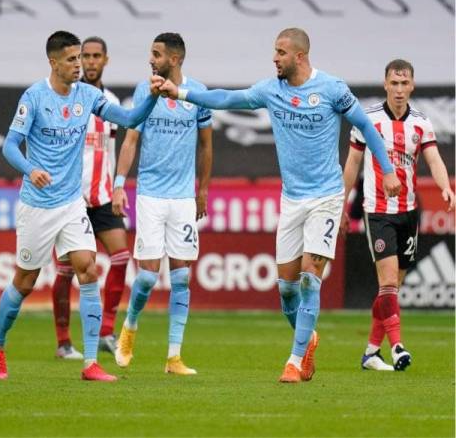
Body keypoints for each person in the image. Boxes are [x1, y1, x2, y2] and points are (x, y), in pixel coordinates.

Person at [158, 28, 402, 383]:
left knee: (308, 279)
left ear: (299, 56)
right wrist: (180, 92)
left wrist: (389, 170)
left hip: (326, 197)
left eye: (280, 52)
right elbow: (227, 99)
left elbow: (366, 125)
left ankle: (294, 360)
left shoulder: (332, 89)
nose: (274, 58)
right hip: (292, 199)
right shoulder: (271, 91)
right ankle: (308, 337)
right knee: (286, 290)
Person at [0, 30, 163, 382]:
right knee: (25, 281)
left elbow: (127, 119)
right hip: (37, 205)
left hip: (71, 205)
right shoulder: (34, 97)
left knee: (88, 269)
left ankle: (91, 363)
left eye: (80, 58)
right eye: (71, 59)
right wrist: (29, 169)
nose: (79, 65)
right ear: (53, 62)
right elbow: (9, 146)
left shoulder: (88, 95)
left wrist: (153, 98)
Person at [341, 59, 455, 371]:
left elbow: (434, 160)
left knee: (390, 289)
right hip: (377, 211)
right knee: (389, 282)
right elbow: (352, 164)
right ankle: (397, 347)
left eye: (405, 84)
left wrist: (446, 188)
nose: (400, 90)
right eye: (395, 83)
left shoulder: (421, 123)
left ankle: (371, 352)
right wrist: (341, 205)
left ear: (413, 86)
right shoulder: (368, 120)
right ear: (385, 84)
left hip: (408, 212)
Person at [113, 33, 213, 375]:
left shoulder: (196, 93)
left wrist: (202, 191)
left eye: (156, 54)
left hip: (184, 197)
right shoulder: (145, 91)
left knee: (182, 277)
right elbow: (131, 140)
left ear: (175, 59)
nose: (150, 60)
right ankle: (130, 325)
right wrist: (118, 184)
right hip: (151, 194)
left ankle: (174, 357)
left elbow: (206, 145)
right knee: (147, 277)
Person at [51, 36, 130, 359]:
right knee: (67, 271)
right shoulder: (69, 98)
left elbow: (109, 148)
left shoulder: (109, 101)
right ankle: (63, 341)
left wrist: (116, 186)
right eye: (86, 56)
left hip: (102, 197)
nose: (91, 61)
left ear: (106, 60)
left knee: (122, 257)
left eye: (97, 56)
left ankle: (106, 331)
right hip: (72, 199)